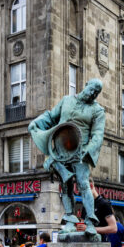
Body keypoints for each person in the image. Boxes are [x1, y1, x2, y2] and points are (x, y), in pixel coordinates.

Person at [28, 79, 105, 236]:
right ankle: (70, 219)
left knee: (84, 184)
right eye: (92, 89)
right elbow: (50, 117)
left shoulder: (98, 110)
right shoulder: (66, 100)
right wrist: (36, 123)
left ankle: (90, 221)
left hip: (80, 152)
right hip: (61, 150)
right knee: (65, 186)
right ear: (86, 85)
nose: (93, 94)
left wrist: (89, 149)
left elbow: (98, 134)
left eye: (97, 93)